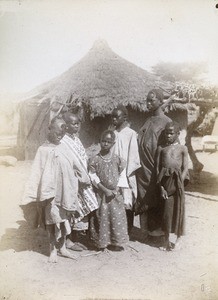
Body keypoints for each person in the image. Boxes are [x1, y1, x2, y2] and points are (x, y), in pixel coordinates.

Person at [22, 117, 79, 262]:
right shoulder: (43, 150)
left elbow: (73, 165)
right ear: (50, 128)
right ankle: (52, 249)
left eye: (63, 131)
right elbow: (36, 173)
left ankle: (63, 248)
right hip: (51, 195)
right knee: (52, 222)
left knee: (64, 219)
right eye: (58, 131)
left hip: (64, 192)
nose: (60, 134)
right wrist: (33, 194)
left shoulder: (64, 147)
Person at [135, 89, 172, 239]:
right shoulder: (148, 120)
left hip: (155, 167)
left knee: (157, 196)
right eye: (147, 100)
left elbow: (169, 148)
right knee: (145, 197)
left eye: (152, 100)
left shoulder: (166, 122)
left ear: (161, 101)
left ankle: (159, 233)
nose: (148, 103)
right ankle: (148, 231)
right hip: (143, 169)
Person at [62, 112, 99, 250]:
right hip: (72, 181)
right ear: (66, 126)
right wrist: (77, 178)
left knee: (82, 209)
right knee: (70, 210)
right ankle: (67, 240)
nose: (77, 126)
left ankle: (75, 238)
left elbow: (82, 158)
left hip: (83, 180)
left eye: (78, 123)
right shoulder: (63, 141)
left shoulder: (76, 139)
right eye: (73, 123)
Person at [88, 130, 128, 251]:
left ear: (113, 143)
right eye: (103, 141)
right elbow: (93, 176)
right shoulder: (94, 160)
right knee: (101, 217)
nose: (105, 144)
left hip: (115, 195)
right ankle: (102, 244)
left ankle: (115, 242)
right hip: (101, 195)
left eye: (108, 142)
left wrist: (116, 190)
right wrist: (104, 189)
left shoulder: (118, 160)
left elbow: (122, 175)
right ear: (99, 141)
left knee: (116, 217)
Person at [156, 121, 189, 251]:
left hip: (178, 184)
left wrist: (179, 182)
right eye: (166, 133)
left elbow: (185, 167)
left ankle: (179, 239)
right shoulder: (161, 148)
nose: (168, 136)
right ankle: (166, 240)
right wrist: (161, 187)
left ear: (177, 134)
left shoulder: (183, 149)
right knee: (167, 213)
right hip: (165, 185)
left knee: (179, 210)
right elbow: (157, 170)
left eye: (171, 133)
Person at [111, 106, 141, 235]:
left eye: (117, 116)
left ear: (124, 118)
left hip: (126, 172)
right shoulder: (112, 133)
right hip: (113, 172)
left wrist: (127, 173)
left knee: (127, 199)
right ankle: (116, 231)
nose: (114, 119)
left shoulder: (131, 134)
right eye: (112, 116)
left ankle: (127, 230)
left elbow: (133, 155)